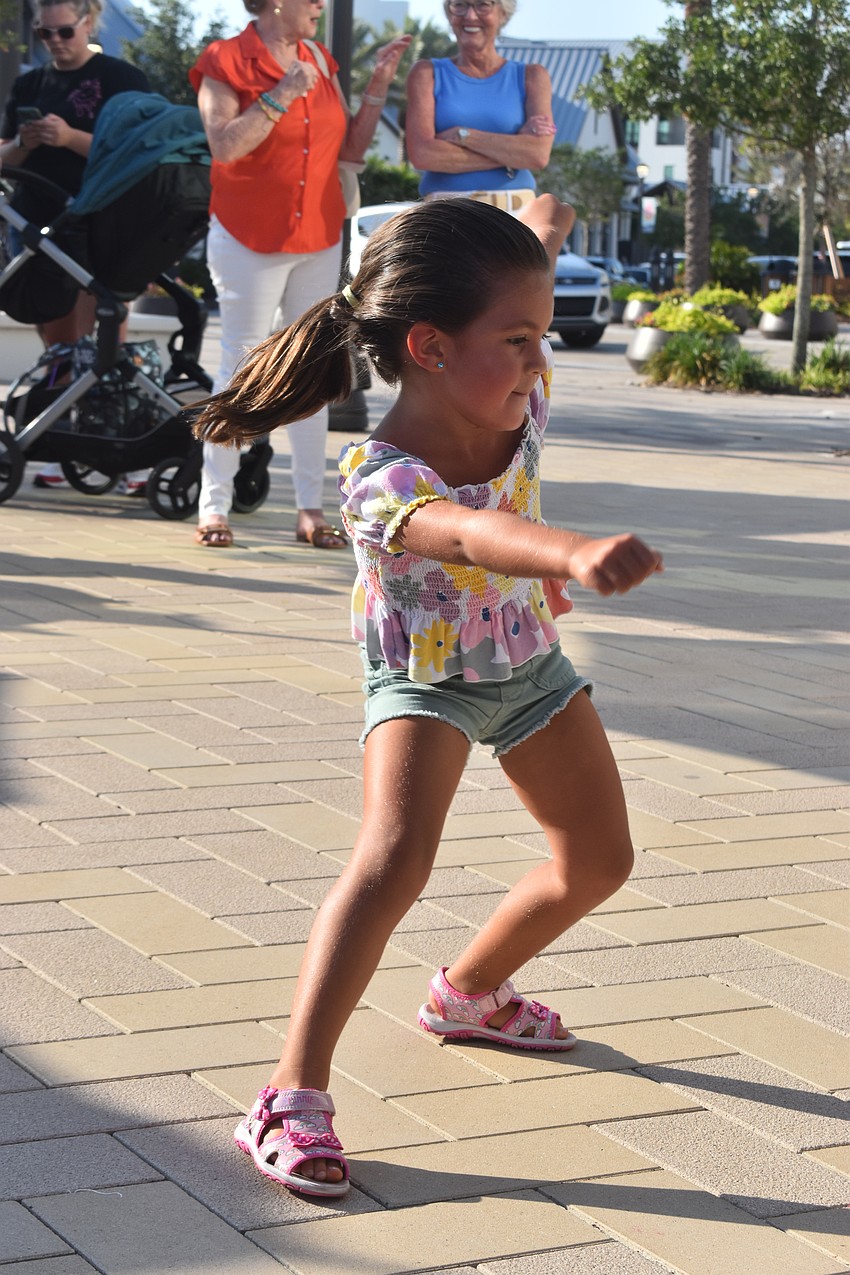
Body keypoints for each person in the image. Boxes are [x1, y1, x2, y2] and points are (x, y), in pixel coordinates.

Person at [191, 194, 663, 1197]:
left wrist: (541, 227)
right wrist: (568, 553)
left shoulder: (512, 396)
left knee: (599, 861)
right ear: (429, 347)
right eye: (519, 338)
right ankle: (288, 1095)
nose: (541, 363)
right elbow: (461, 533)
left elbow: (515, 273)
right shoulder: (376, 477)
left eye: (542, 338)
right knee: (393, 861)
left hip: (528, 667)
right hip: (424, 680)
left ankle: (469, 994)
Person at [189, 0, 410, 549]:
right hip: (248, 234)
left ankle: (310, 509)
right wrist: (283, 92)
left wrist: (379, 81)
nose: (320, 6)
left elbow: (349, 150)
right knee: (240, 359)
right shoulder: (225, 60)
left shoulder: (320, 59)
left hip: (317, 232)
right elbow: (223, 145)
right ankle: (213, 507)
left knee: (314, 365)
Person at [0, 0, 151, 492]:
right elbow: (5, 154)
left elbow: (137, 150)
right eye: (45, 34)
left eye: (64, 31)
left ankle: (125, 450)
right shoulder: (31, 83)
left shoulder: (120, 77)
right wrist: (26, 141)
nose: (56, 42)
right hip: (37, 220)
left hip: (98, 220)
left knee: (105, 337)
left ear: (89, 22)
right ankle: (61, 440)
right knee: (59, 342)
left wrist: (67, 138)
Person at [405, 0, 556, 211]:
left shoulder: (532, 76)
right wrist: (511, 154)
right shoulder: (425, 74)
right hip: (446, 216)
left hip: (517, 216)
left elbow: (537, 155)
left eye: (483, 5)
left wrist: (464, 136)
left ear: (503, 14)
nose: (470, 16)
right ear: (449, 14)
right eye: (460, 5)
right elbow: (423, 155)